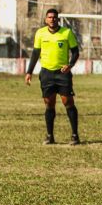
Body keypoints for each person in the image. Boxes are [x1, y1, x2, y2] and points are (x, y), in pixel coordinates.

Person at [25, 8, 81, 145]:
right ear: (46, 19)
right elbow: (35, 54)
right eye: (49, 17)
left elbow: (75, 52)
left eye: (54, 17)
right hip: (46, 74)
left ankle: (75, 135)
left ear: (58, 19)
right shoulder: (40, 33)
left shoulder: (66, 33)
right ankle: (50, 136)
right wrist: (29, 72)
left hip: (63, 74)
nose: (52, 19)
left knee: (68, 102)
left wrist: (70, 65)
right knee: (49, 104)